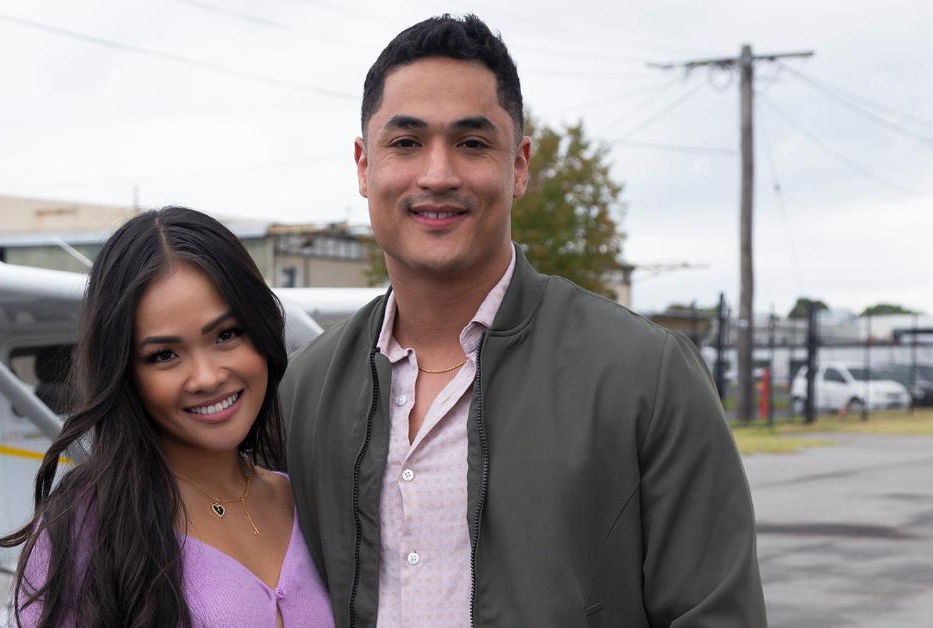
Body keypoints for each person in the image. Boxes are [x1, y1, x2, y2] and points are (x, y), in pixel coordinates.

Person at [280, 14, 767, 627]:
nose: (438, 174)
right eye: (405, 143)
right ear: (363, 165)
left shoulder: (646, 375)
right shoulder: (304, 390)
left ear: (518, 165)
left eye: (472, 142)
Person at [0, 207, 334, 627]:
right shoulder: (85, 529)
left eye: (226, 335)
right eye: (164, 355)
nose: (206, 377)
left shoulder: (315, 499)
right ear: (126, 372)